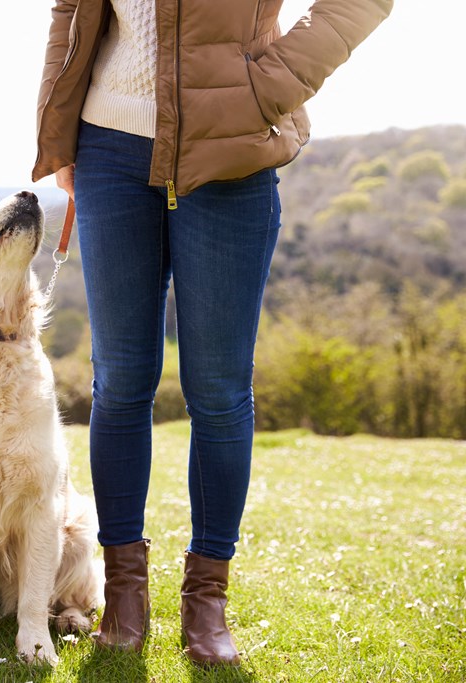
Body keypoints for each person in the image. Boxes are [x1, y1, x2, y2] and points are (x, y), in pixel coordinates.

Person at [34, 0, 392, 667]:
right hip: (109, 148)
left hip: (231, 146)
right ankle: (125, 592)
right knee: (119, 381)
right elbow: (72, 11)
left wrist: (269, 86)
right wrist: (58, 129)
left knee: (220, 391)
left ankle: (206, 599)